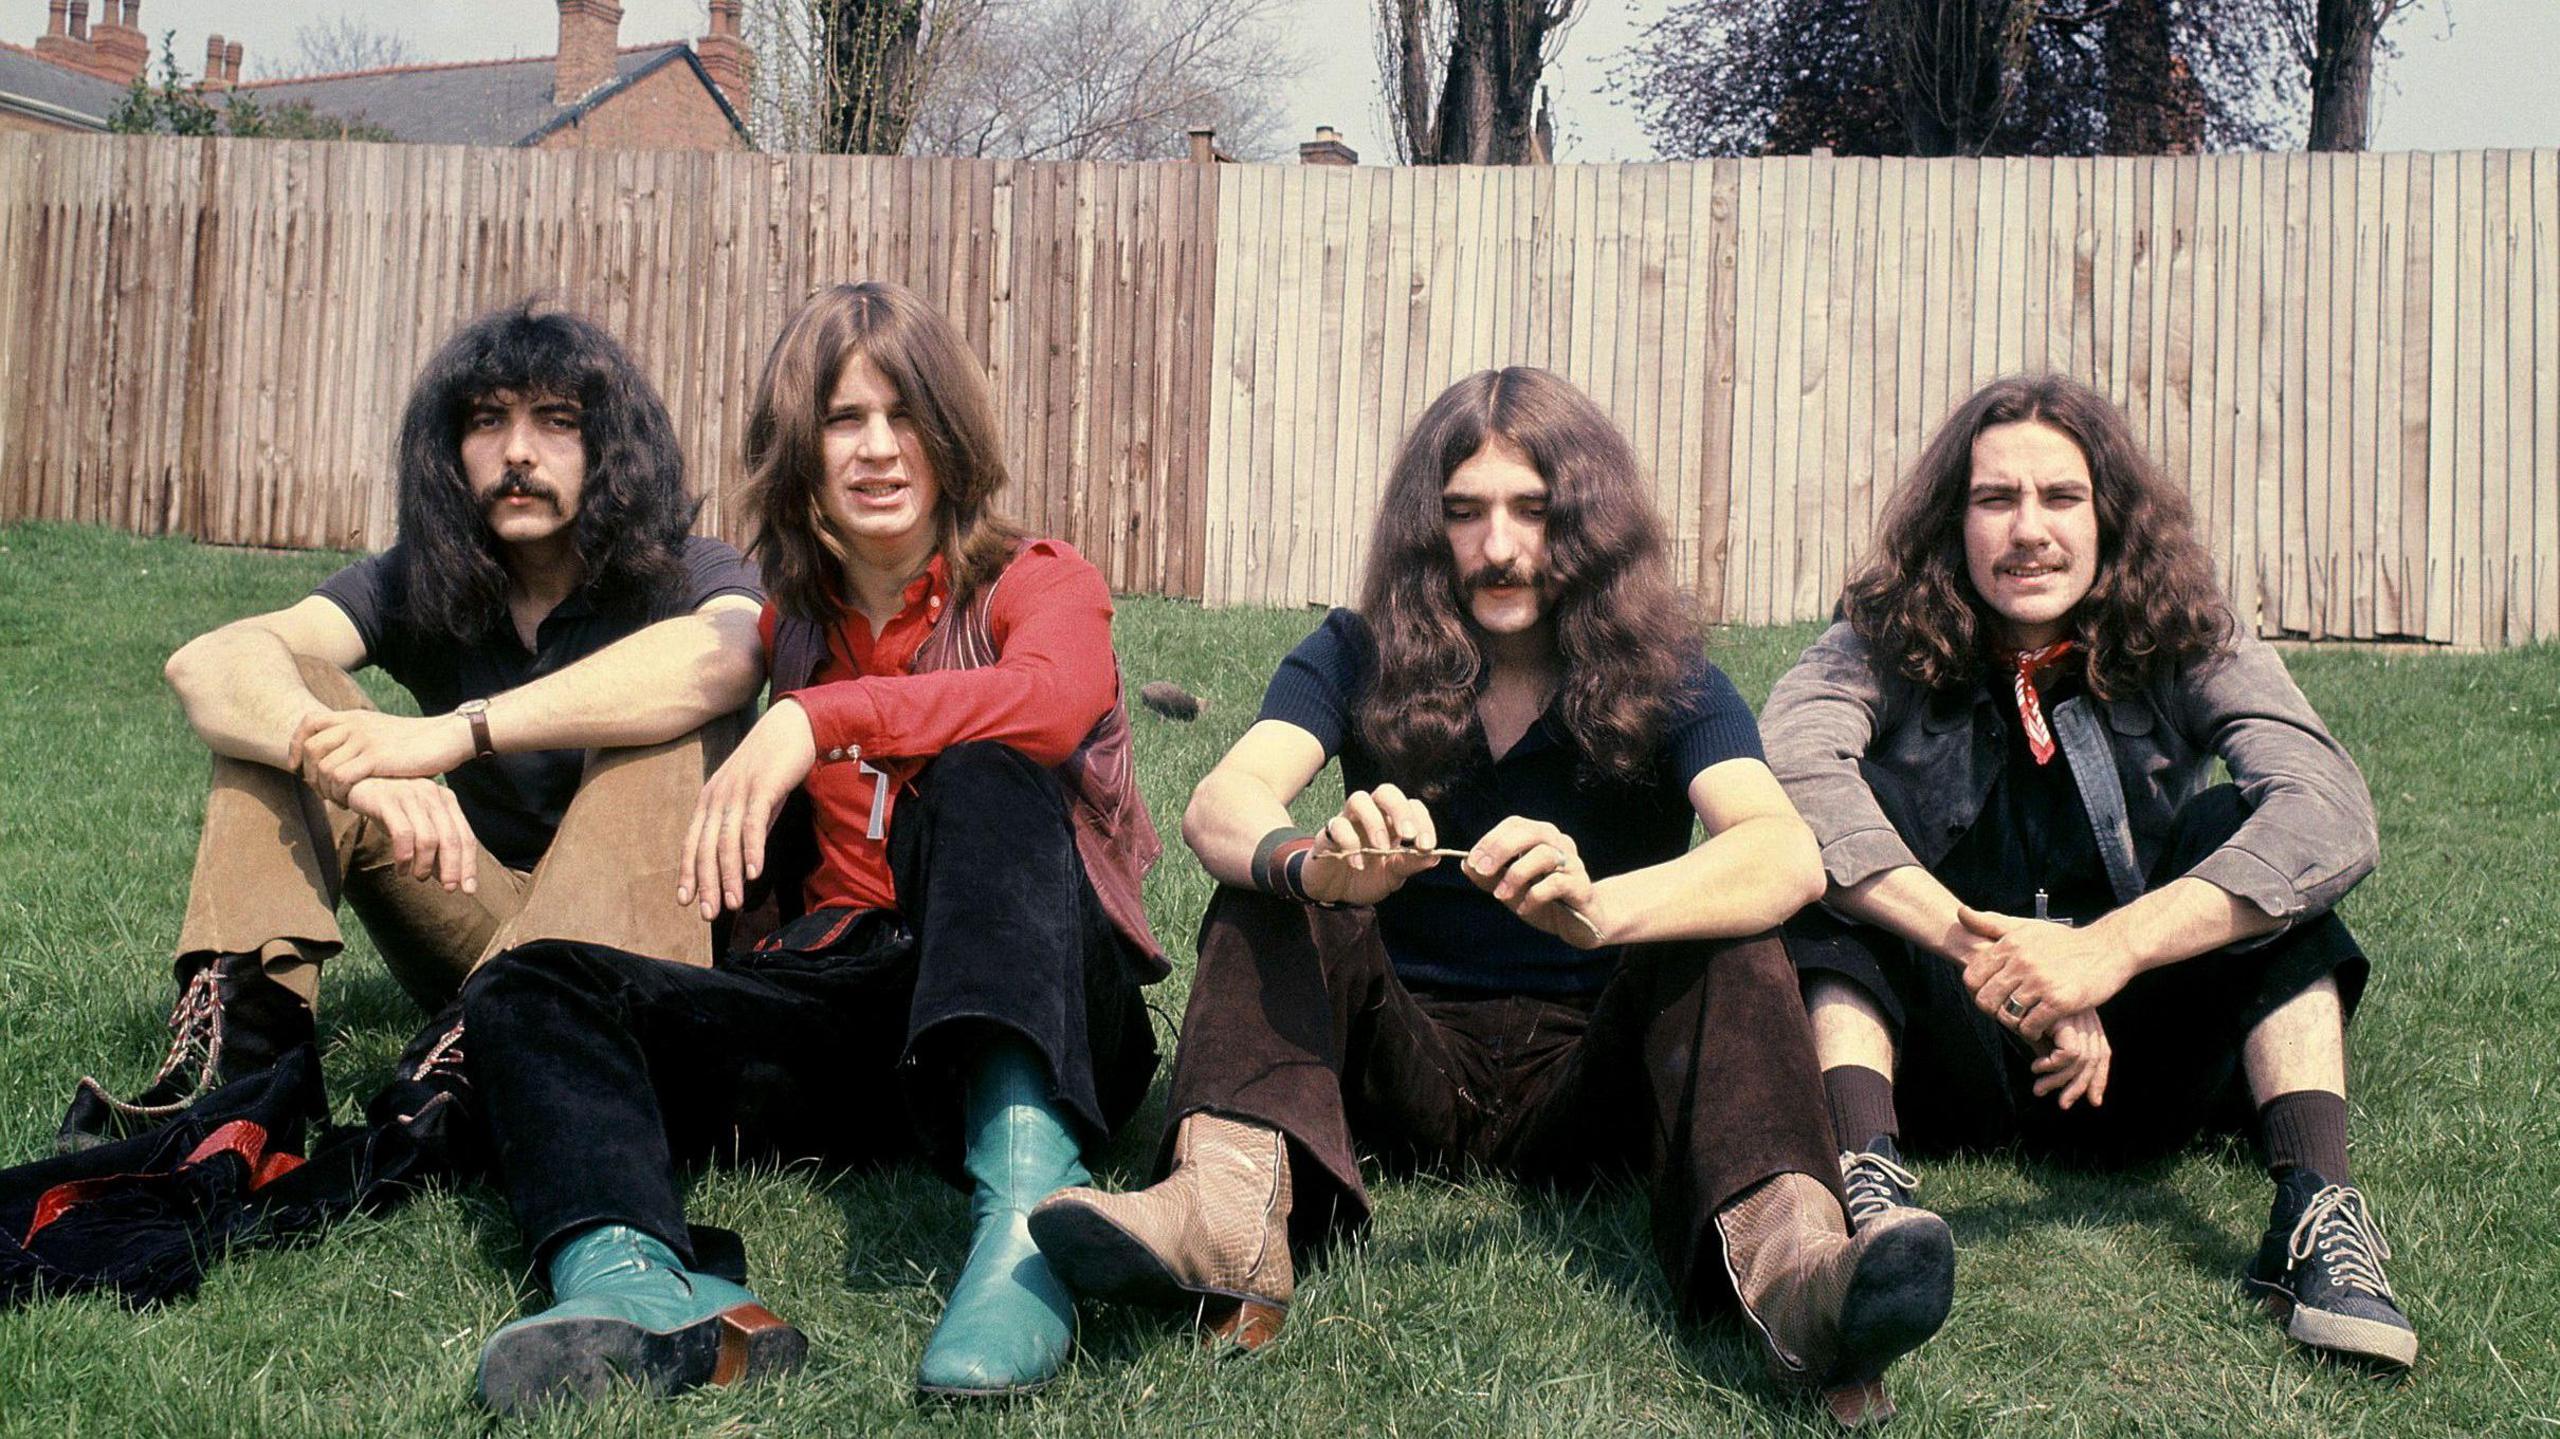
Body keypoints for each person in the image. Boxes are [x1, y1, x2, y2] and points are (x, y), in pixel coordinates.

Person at [1029, 368, 1954, 1427]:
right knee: (1268, 889)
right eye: (1464, 512)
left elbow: (1784, 852)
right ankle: (1220, 1210)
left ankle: (1802, 1274)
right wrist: (1319, 863)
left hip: (1592, 1083)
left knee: (1733, 933)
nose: (1499, 544)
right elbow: (1222, 801)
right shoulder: (1356, 648)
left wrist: (1601, 907)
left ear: (1588, 524)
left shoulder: (1669, 669)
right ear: (1429, 529)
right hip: (1401, 1068)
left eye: (1532, 509)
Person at [458, 280, 1165, 1413]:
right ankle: (632, 1278)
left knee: (985, 767)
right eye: (843, 419)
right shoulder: (789, 624)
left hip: (1048, 1002)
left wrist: (819, 717)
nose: (878, 450)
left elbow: (1046, 704)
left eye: (904, 415)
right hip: (857, 1015)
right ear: (801, 448)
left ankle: (1029, 1214)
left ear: (950, 435)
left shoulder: (1043, 580)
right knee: (531, 984)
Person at [1760, 373, 2415, 1369]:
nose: (2028, 530)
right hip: (1943, 1048)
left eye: (2060, 498)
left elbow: (2326, 805)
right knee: (1812, 852)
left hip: (2135, 1057)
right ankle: (1868, 1182)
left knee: (2251, 835)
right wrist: (1988, 949)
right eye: (1995, 500)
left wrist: (2107, 952)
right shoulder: (1880, 635)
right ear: (1953, 520)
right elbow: (1792, 765)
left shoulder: (2187, 630)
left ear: (2107, 518)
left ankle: (2316, 1208)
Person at [61, 303, 765, 1151]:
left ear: (611, 447)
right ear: (449, 448)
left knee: (674, 726)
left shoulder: (688, 568)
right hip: (481, 909)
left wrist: (456, 732)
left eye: (557, 422)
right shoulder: (431, 581)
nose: (516, 451)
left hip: (638, 952)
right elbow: (210, 660)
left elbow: (726, 655)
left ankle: (499, 1059)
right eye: (487, 420)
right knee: (296, 692)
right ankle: (244, 1077)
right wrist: (347, 765)